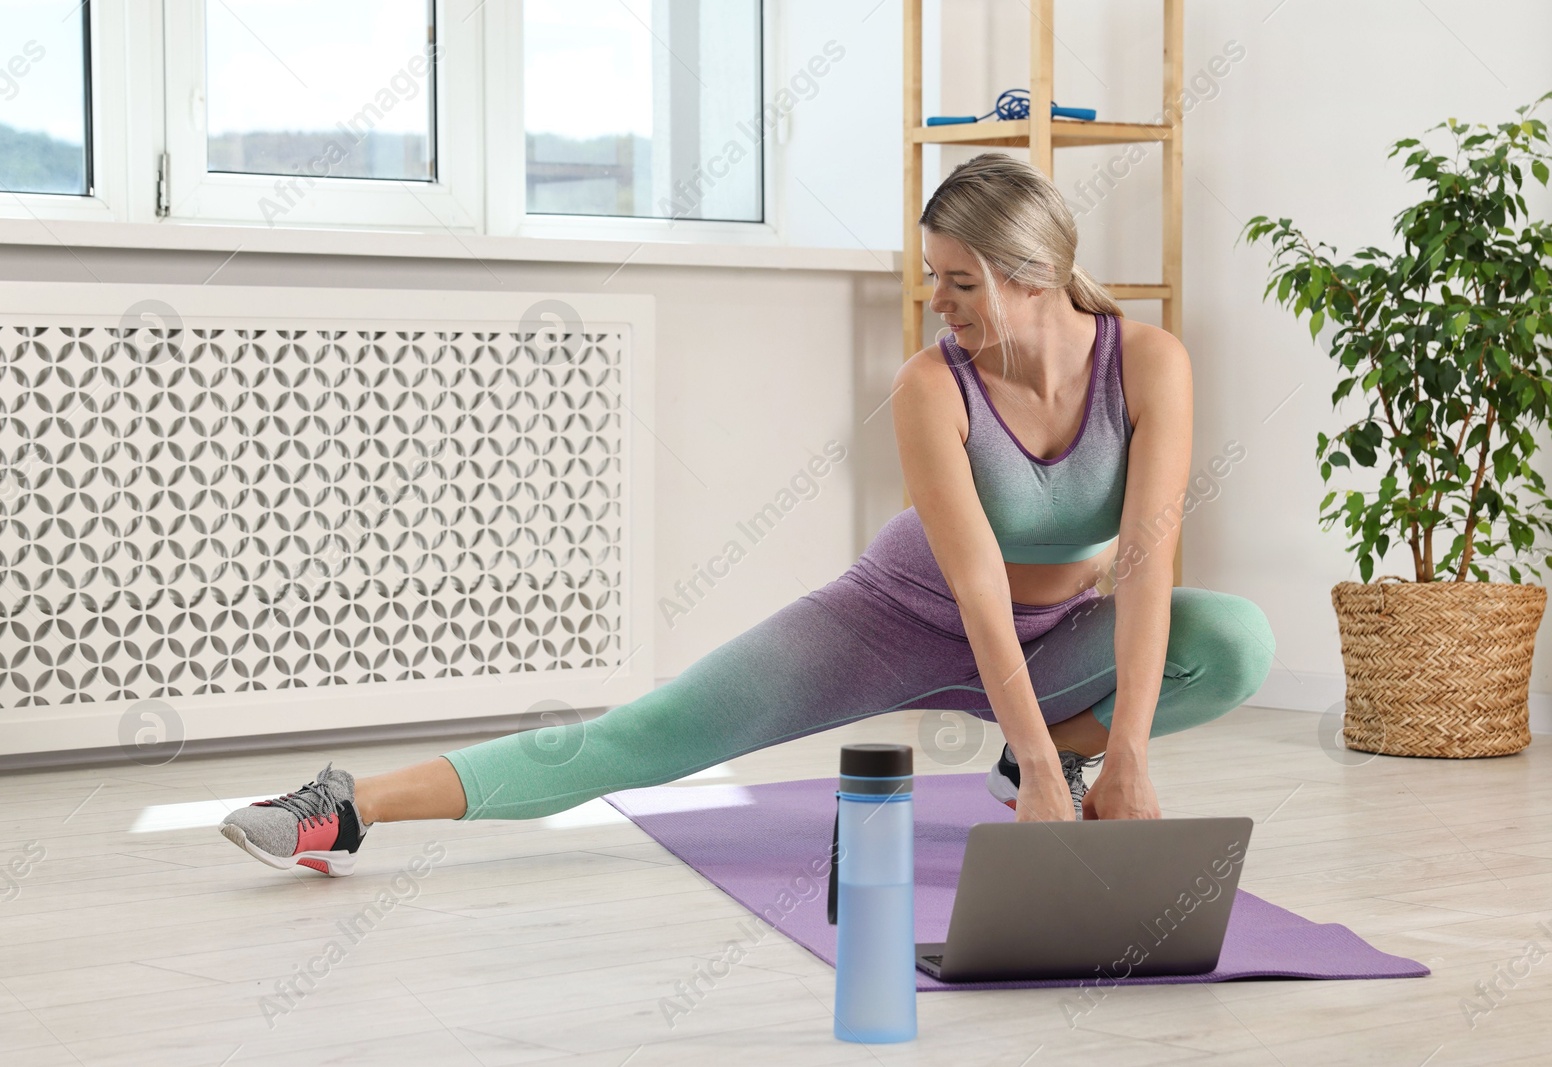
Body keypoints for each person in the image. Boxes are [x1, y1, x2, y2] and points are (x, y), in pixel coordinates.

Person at [219, 152, 1275, 877]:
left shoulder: (1146, 363)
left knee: (1231, 640)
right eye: (931, 280)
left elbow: (1143, 558)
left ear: (1034, 276)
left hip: (1055, 637)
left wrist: (1119, 751)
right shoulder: (929, 384)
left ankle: (1041, 739)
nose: (937, 304)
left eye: (959, 283)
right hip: (900, 614)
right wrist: (1044, 779)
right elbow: (975, 585)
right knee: (649, 732)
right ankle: (345, 805)